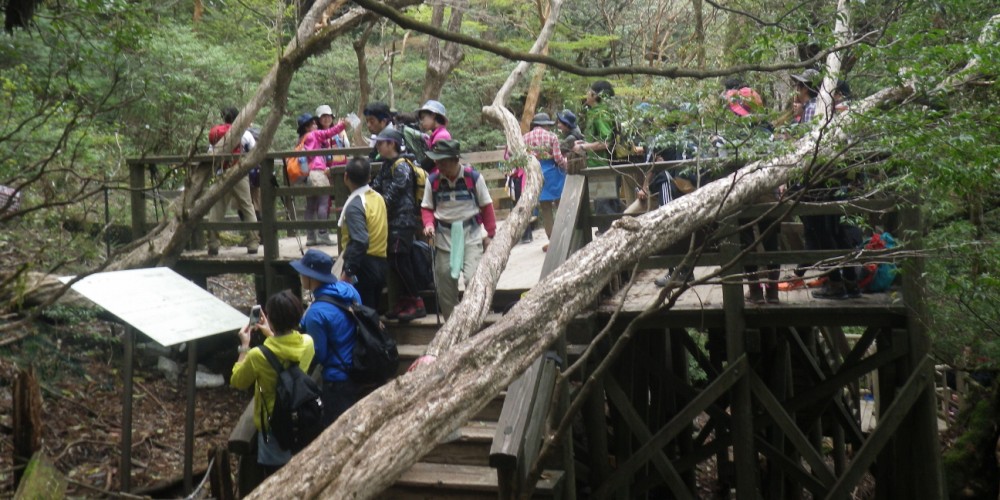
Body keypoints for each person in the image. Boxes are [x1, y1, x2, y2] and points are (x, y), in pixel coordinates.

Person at [230, 290, 314, 476]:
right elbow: (285, 355)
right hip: (301, 417)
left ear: (272, 320)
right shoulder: (308, 343)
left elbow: (237, 381)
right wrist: (272, 332)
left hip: (273, 425)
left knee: (277, 478)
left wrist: (244, 346)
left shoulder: (257, 356)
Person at [420, 140, 497, 319]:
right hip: (444, 237)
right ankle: (452, 327)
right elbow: (427, 208)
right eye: (437, 162)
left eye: (443, 162)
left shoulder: (473, 178)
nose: (439, 166)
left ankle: (473, 320)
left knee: (473, 279)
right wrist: (429, 225)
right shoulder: (433, 181)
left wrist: (490, 235)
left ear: (455, 160)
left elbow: (487, 207)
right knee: (445, 284)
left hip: (471, 235)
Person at [291, 249, 362, 427]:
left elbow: (319, 354)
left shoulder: (316, 313)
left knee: (337, 430)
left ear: (311, 277)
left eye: (302, 273)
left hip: (337, 381)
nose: (300, 276)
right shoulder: (348, 290)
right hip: (357, 368)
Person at [370, 128, 426, 322]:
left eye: (380, 143)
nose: (377, 147)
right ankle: (405, 300)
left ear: (391, 144)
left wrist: (375, 208)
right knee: (396, 261)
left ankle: (417, 301)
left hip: (403, 220)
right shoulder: (387, 165)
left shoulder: (402, 166)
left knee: (399, 260)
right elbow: (375, 186)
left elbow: (394, 193)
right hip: (391, 221)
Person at [207, 106, 260, 256]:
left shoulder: (217, 133)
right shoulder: (244, 133)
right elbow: (254, 150)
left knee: (217, 208)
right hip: (239, 172)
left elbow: (210, 152)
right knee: (247, 206)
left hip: (221, 173)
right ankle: (253, 242)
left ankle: (213, 243)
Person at [337, 157, 388, 310]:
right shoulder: (378, 197)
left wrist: (348, 272)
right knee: (372, 314)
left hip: (363, 266)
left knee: (363, 318)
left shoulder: (355, 205)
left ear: (346, 176)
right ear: (369, 177)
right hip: (381, 263)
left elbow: (360, 240)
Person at [573, 80, 620, 234]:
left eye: (589, 90)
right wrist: (586, 142)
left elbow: (606, 142)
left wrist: (583, 147)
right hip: (598, 165)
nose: (587, 93)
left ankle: (608, 240)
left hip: (603, 166)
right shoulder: (597, 112)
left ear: (595, 95)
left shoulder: (602, 114)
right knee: (608, 205)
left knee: (604, 207)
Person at [520, 112, 567, 251]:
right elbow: (558, 159)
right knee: (561, 205)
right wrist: (566, 164)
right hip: (553, 172)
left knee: (546, 208)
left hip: (536, 173)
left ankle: (552, 240)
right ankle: (564, 236)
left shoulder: (525, 138)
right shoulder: (552, 137)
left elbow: (522, 157)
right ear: (546, 125)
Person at [300, 108, 347, 246]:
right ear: (308, 127)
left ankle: (310, 237)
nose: (316, 125)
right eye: (314, 123)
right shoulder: (314, 135)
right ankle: (323, 234)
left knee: (310, 206)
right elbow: (329, 132)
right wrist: (342, 125)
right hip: (318, 172)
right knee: (323, 203)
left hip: (308, 174)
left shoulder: (302, 139)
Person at [417, 100, 451, 173]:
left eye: (423, 118)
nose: (422, 122)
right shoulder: (435, 135)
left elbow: (431, 161)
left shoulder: (442, 136)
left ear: (433, 115)